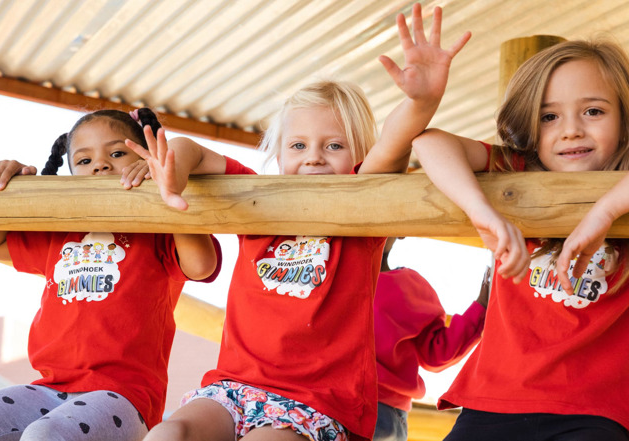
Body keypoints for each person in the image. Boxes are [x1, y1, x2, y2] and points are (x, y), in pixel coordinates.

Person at [127, 5, 470, 440]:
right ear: (279, 153)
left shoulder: (361, 211)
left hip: (317, 401)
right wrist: (172, 172)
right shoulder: (256, 200)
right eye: (299, 144)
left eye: (333, 145)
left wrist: (421, 101)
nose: (313, 156)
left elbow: (395, 141)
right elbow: (190, 149)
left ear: (358, 156)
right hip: (235, 387)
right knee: (168, 434)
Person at [412, 39, 629, 441]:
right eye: (549, 117)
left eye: (594, 111)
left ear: (625, 120)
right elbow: (428, 143)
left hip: (599, 415)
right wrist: (481, 209)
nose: (571, 130)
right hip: (494, 403)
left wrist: (607, 211)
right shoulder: (516, 172)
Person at [0, 109, 221, 441]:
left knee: (47, 435)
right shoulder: (61, 232)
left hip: (123, 399)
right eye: (84, 161)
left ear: (148, 158)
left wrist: (170, 192)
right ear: (71, 174)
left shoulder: (158, 230)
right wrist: (15, 185)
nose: (100, 165)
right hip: (49, 388)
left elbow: (201, 265)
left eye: (116, 153)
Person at [373, 237, 489, 441]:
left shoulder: (409, 286)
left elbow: (437, 352)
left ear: (400, 232)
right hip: (326, 402)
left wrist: (480, 306)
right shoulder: (324, 280)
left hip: (382, 409)